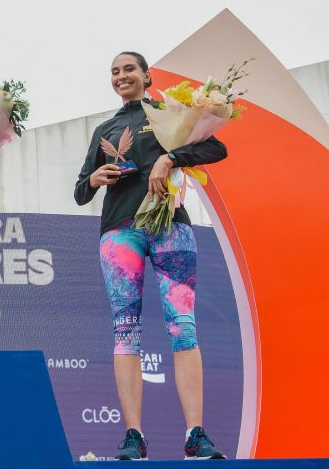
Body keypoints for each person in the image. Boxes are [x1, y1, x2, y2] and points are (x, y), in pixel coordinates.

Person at [75, 52, 228, 460]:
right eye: (114, 71)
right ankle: (133, 436)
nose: (121, 76)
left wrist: (170, 156)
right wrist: (94, 178)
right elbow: (80, 191)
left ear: (147, 76)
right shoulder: (105, 129)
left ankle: (196, 434)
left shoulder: (171, 112)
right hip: (119, 233)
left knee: (184, 327)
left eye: (129, 69)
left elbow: (217, 147)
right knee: (126, 331)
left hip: (171, 228)